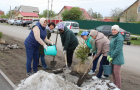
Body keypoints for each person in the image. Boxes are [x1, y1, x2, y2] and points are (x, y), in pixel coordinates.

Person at [107, 25, 125, 89]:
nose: (113, 31)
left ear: (118, 30)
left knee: (116, 73)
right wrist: (108, 55)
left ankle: (118, 86)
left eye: (115, 30)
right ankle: (114, 83)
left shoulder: (120, 38)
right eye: (112, 30)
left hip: (117, 58)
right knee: (113, 72)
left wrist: (112, 56)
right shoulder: (113, 37)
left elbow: (118, 49)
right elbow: (111, 47)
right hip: (112, 57)